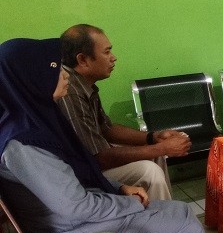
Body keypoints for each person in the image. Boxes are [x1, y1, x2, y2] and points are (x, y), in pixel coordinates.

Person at [0, 38, 212, 233]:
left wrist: (119, 187)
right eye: (54, 67)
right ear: (29, 77)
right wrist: (130, 204)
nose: (64, 73)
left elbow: (77, 173)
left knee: (174, 213)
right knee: (184, 224)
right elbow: (75, 205)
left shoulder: (33, 121)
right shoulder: (24, 145)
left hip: (71, 225)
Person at [59, 25, 191, 200]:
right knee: (149, 171)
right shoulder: (70, 91)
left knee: (156, 155)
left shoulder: (83, 84)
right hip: (80, 173)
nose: (113, 58)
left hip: (94, 160)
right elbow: (99, 158)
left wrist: (153, 138)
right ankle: (163, 215)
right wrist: (161, 148)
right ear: (83, 60)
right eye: (107, 52)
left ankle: (164, 210)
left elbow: (107, 128)